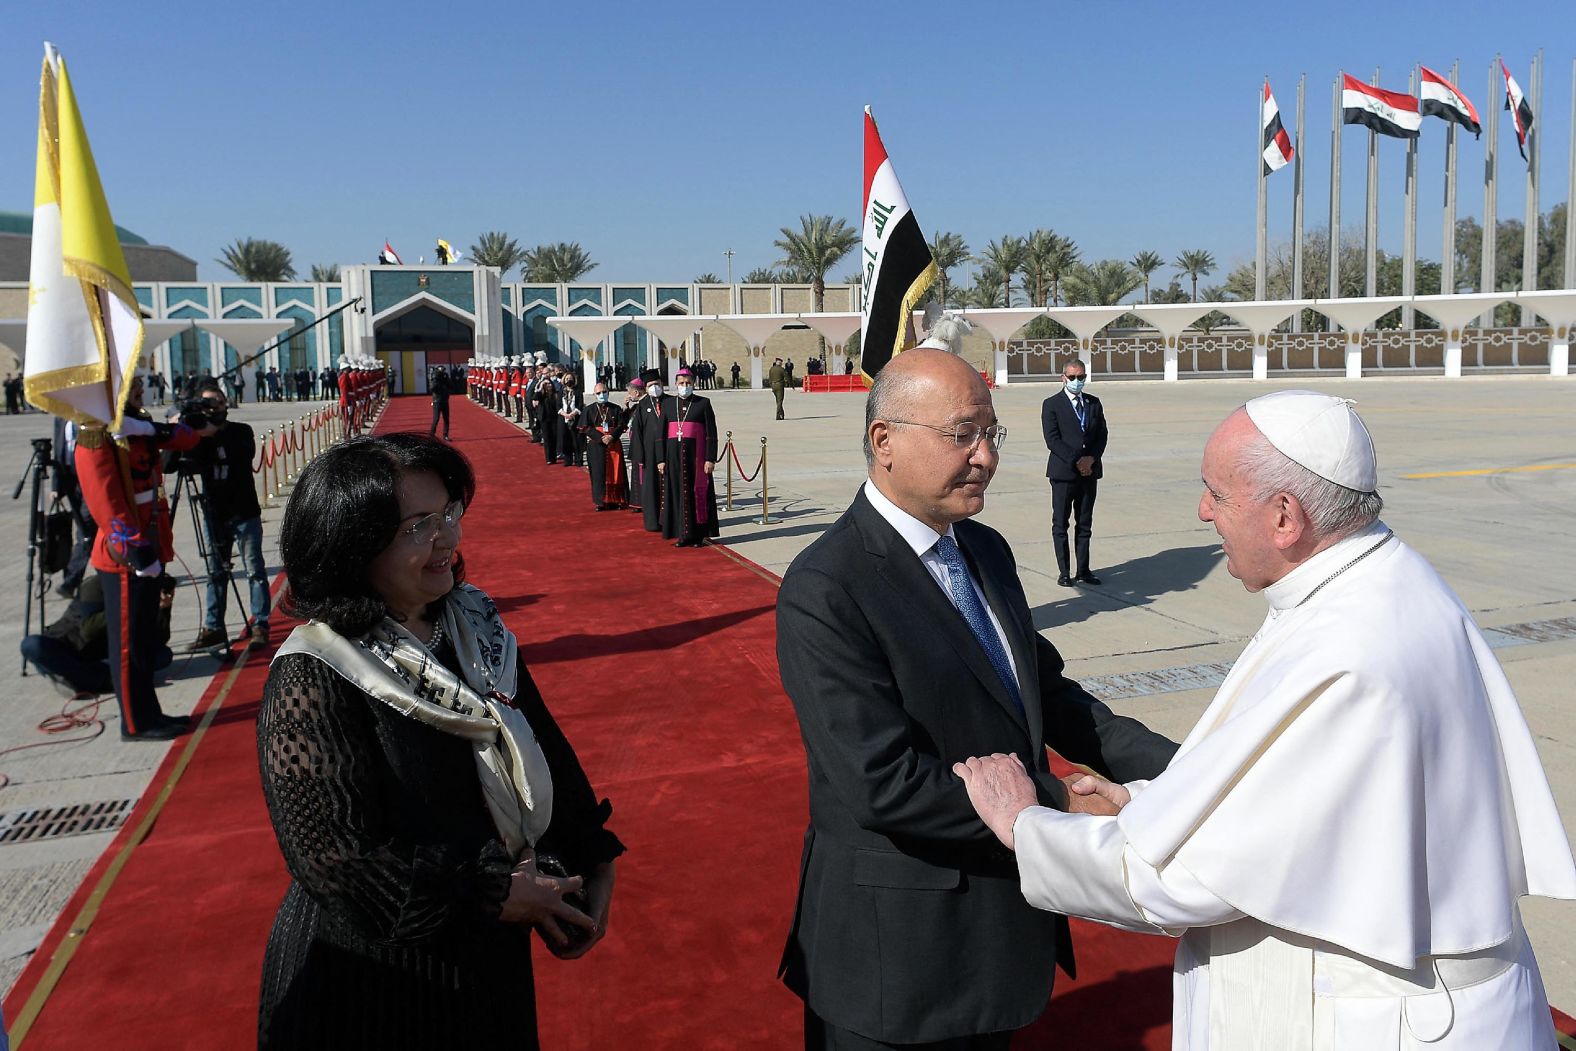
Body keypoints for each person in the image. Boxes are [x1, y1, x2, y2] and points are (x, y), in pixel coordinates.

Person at [955, 390, 1576, 1050]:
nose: (1202, 512)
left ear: (1285, 516)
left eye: (1216, 494)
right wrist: (1150, 802)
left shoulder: (1348, 650)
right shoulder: (1375, 583)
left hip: (1380, 1020)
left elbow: (1184, 881)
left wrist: (1026, 824)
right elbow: (1294, 811)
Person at [775, 349, 1176, 1049]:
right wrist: (1060, 804)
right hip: (895, 963)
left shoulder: (984, 551)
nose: (985, 456)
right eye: (963, 434)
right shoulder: (826, 587)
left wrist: (1193, 764)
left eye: (992, 434)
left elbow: (1051, 698)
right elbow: (881, 782)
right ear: (884, 441)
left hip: (998, 938)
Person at [256, 433, 623, 1049]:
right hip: (375, 978)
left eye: (450, 513)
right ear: (352, 542)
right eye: (417, 525)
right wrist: (495, 893)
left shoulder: (473, 625)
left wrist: (591, 859)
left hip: (485, 962)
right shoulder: (316, 669)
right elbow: (338, 861)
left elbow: (541, 744)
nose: (448, 538)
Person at [75, 369, 213, 739]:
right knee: (127, 646)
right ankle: (135, 723)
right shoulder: (95, 436)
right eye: (131, 389)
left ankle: (151, 714)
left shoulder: (138, 425)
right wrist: (137, 552)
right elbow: (106, 504)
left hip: (152, 540)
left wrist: (152, 430)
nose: (139, 393)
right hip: (127, 556)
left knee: (143, 641)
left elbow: (187, 439)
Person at [183, 385, 271, 649]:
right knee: (215, 572)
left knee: (254, 570)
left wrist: (214, 432)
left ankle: (260, 623)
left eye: (217, 402)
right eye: (207, 404)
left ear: (225, 404)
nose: (213, 408)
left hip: (244, 511)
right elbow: (177, 464)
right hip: (214, 514)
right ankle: (214, 627)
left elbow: (243, 455)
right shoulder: (197, 436)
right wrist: (185, 430)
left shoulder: (241, 431)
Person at [1041, 357, 1106, 588]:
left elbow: (1102, 435)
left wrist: (1091, 459)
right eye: (1072, 377)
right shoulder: (1052, 404)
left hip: (1089, 474)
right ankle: (1065, 572)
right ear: (1063, 378)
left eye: (1081, 377)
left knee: (1084, 523)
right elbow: (1052, 439)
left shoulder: (1093, 403)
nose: (1077, 381)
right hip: (1063, 473)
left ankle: (1084, 570)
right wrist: (1077, 460)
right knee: (1061, 523)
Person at [658, 369, 718, 548]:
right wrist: (660, 459)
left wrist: (710, 458)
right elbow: (660, 435)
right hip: (673, 459)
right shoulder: (668, 404)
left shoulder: (703, 403)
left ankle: (699, 536)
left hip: (696, 459)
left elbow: (711, 434)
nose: (685, 386)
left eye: (688, 383)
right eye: (681, 383)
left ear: (693, 384)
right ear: (675, 384)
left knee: (696, 495)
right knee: (677, 495)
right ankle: (681, 535)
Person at [580, 382, 627, 511]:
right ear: (595, 395)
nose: (602, 395)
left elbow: (621, 425)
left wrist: (612, 436)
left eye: (604, 392)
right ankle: (600, 502)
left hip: (614, 443)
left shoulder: (616, 408)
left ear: (608, 393)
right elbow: (585, 427)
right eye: (599, 393)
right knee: (598, 473)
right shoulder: (589, 410)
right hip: (596, 445)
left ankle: (616, 500)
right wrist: (600, 437)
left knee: (616, 472)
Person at [557, 374, 584, 467]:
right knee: (565, 439)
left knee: (576, 440)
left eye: (571, 378)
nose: (569, 380)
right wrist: (565, 414)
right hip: (563, 418)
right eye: (567, 379)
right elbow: (558, 405)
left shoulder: (578, 391)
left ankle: (578, 460)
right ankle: (568, 460)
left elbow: (580, 404)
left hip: (575, 418)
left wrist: (572, 414)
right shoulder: (561, 392)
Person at [428, 364, 452, 440]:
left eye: (443, 369)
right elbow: (432, 388)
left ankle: (445, 435)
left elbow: (451, 386)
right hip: (437, 401)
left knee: (446, 419)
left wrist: (447, 378)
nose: (442, 371)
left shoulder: (445, 377)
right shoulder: (435, 378)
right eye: (440, 370)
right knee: (436, 418)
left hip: (445, 400)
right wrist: (438, 382)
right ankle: (432, 434)